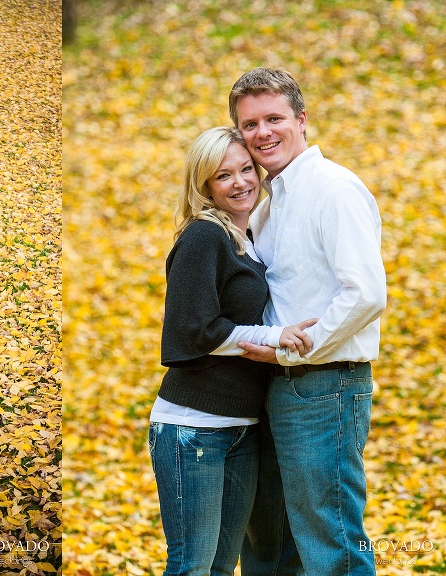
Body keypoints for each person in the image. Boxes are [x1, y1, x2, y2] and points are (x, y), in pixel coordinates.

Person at [228, 67, 387, 576]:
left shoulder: (334, 189)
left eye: (274, 118)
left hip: (326, 387)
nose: (262, 133)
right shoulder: (270, 202)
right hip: (277, 387)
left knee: (332, 543)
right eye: (249, 124)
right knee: (275, 545)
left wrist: (297, 347)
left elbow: (365, 292)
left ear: (301, 119)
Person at [150, 126, 316, 576]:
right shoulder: (203, 237)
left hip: (243, 428)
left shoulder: (246, 241)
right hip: (194, 429)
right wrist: (273, 336)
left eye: (247, 169)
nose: (241, 182)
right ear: (204, 186)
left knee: (222, 570)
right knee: (193, 568)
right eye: (224, 176)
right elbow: (192, 329)